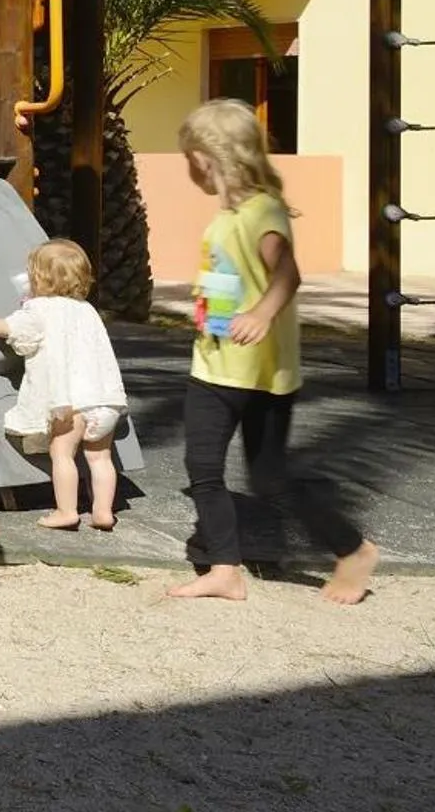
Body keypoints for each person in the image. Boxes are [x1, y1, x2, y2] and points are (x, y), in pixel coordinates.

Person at [168, 99, 380, 604]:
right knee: (203, 466)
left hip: (258, 372)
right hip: (214, 364)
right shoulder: (230, 214)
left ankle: (352, 549)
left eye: (190, 155)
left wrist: (261, 313)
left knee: (270, 479)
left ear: (209, 156)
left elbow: (288, 272)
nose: (187, 165)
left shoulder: (262, 211)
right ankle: (225, 569)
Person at [0, 239, 129, 531]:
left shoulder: (39, 309)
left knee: (62, 455)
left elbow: (17, 331)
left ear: (38, 278)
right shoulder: (88, 311)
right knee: (100, 458)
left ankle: (66, 511)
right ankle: (104, 511)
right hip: (105, 400)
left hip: (71, 403)